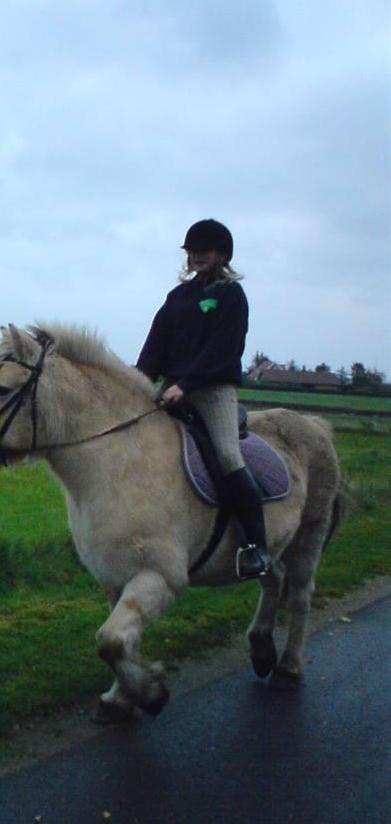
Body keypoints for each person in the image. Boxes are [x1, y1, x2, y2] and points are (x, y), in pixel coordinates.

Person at [135, 219, 270, 580]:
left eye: (205, 250)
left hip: (212, 392)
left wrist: (188, 383)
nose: (197, 256)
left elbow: (223, 349)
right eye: (192, 251)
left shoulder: (230, 295)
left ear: (222, 254)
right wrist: (136, 384)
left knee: (227, 456)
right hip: (171, 390)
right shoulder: (177, 297)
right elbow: (155, 346)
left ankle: (256, 548)